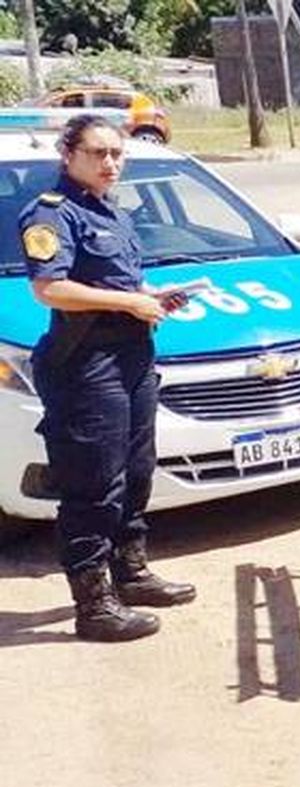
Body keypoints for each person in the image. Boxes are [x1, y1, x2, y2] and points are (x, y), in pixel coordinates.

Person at [19, 114, 196, 643]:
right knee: (92, 484)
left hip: (132, 355)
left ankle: (132, 573)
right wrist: (130, 301)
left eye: (117, 154)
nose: (111, 163)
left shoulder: (110, 210)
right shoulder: (51, 214)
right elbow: (49, 289)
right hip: (86, 364)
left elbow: (116, 277)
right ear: (67, 154)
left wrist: (152, 294)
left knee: (136, 471)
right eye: (98, 153)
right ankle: (94, 605)